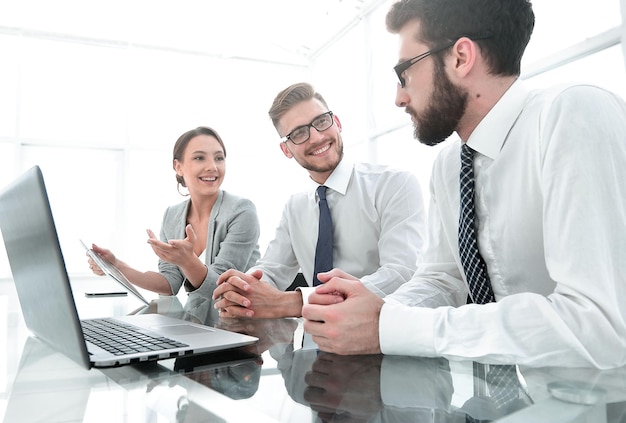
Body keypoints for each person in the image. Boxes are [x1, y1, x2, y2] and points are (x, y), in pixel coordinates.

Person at [302, 0, 626, 369]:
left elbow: (598, 326)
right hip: (510, 398)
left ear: (460, 57)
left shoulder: (573, 114)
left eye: (404, 72)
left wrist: (389, 326)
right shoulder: (449, 164)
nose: (399, 97)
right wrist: (373, 312)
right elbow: (443, 279)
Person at [212, 82, 426, 318]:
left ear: (338, 123)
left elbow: (402, 273)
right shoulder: (295, 207)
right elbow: (272, 270)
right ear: (286, 150)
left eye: (322, 121)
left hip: (381, 332)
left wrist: (299, 301)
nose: (316, 136)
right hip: (312, 342)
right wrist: (243, 289)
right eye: (299, 133)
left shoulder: (394, 185)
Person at [88, 126, 261, 299]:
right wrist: (116, 266)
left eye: (219, 158)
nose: (212, 166)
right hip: (196, 323)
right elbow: (169, 283)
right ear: (178, 167)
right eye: (200, 158)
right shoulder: (172, 215)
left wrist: (187, 261)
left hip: (238, 323)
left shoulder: (242, 211)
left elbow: (220, 287)